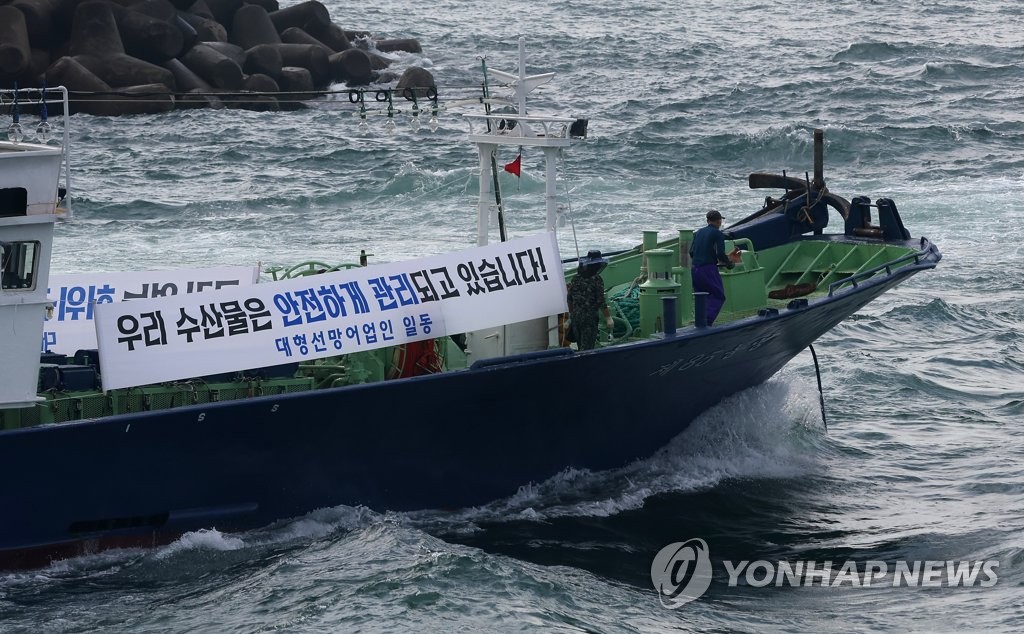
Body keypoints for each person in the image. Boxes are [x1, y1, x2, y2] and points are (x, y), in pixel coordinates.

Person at [689, 209, 742, 326]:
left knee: (700, 296)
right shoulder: (718, 234)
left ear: (708, 221)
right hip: (708, 269)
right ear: (719, 222)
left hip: (695, 269)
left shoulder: (698, 232)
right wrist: (728, 263)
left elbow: (691, 252)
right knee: (718, 295)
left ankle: (699, 322)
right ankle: (707, 322)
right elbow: (720, 254)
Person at [565, 250, 614, 350]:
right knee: (587, 348)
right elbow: (600, 300)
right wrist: (608, 317)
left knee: (580, 345)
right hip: (589, 318)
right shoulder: (597, 279)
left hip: (576, 317)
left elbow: (569, 298)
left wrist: (570, 316)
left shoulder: (575, 278)